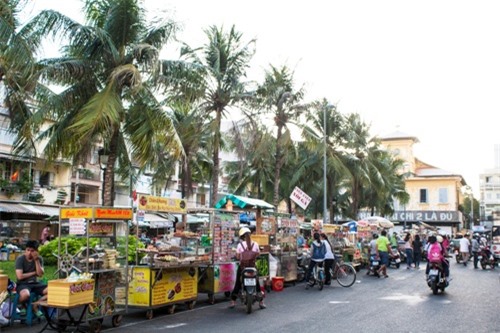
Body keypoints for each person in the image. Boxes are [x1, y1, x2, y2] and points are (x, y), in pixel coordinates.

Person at [229, 227, 265, 309]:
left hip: (242, 268)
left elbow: (238, 256)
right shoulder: (255, 244)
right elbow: (258, 255)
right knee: (257, 283)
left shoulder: (239, 245)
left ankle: (233, 301)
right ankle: (261, 302)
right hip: (252, 267)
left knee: (238, 283)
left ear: (242, 237)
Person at [15, 240, 47, 317]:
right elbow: (20, 276)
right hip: (23, 284)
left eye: (32, 251)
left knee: (53, 291)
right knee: (25, 295)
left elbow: (40, 274)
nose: (29, 253)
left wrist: (36, 260)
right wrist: (34, 273)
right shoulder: (20, 259)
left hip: (35, 283)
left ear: (36, 251)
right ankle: (21, 305)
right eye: (28, 250)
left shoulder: (39, 259)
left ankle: (35, 305)